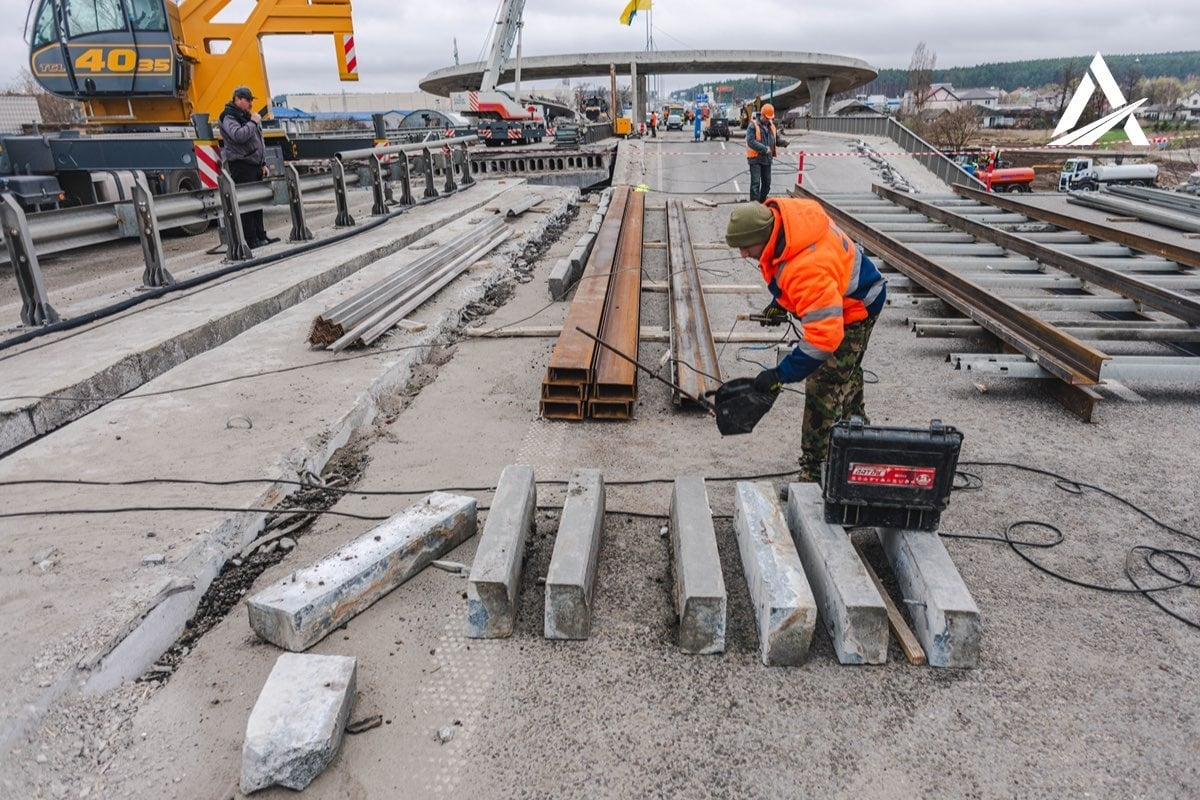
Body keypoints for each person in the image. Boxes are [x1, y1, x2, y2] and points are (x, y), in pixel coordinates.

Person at [724, 199, 887, 483]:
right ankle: (859, 437)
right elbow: (785, 270)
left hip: (857, 308)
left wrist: (780, 374)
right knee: (844, 373)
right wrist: (782, 301)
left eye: (746, 248)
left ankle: (813, 473)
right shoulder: (787, 224)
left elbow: (823, 340)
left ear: (762, 238)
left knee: (823, 383)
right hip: (848, 292)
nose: (742, 254)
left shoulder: (806, 267)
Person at [219, 86, 278, 248]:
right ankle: (251, 240)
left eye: (251, 100)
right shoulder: (229, 116)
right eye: (248, 100)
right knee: (247, 204)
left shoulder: (246, 116)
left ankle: (261, 236)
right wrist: (253, 122)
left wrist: (262, 163)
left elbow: (258, 140)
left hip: (254, 165)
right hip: (242, 165)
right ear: (237, 99)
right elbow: (239, 136)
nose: (251, 104)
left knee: (257, 203)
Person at [745, 103, 778, 202]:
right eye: (767, 118)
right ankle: (754, 207)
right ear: (762, 115)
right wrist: (764, 148)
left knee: (767, 184)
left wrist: (784, 142)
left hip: (766, 159)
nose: (769, 120)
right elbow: (750, 141)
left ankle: (761, 202)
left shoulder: (771, 126)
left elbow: (777, 138)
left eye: (770, 118)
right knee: (755, 184)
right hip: (755, 159)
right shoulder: (753, 125)